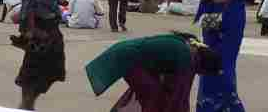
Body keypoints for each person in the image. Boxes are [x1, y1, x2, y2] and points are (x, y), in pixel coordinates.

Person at [85, 33, 223, 112]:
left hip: (129, 55)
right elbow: (180, 93)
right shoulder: (187, 57)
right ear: (203, 65)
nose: (198, 74)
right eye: (202, 73)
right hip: (128, 58)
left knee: (155, 96)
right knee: (153, 96)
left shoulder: (192, 46)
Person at [195, 0, 255, 112]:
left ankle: (220, 105)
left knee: (213, 62)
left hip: (218, 19)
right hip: (235, 17)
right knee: (228, 62)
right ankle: (227, 106)